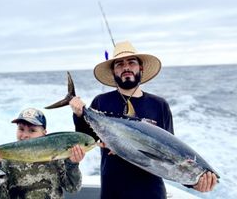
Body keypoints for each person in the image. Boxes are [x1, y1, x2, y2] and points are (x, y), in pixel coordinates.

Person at [69, 41, 218, 198]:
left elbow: (171, 152)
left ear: (141, 68)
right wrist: (79, 115)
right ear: (114, 72)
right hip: (113, 192)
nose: (126, 67)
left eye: (131, 62)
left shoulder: (159, 105)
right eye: (119, 64)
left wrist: (194, 182)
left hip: (151, 193)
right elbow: (87, 139)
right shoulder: (101, 101)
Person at [0, 108, 85, 199]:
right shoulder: (4, 161)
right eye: (21, 129)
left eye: (32, 130)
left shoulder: (56, 156)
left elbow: (73, 188)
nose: (25, 135)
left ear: (44, 133)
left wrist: (72, 164)